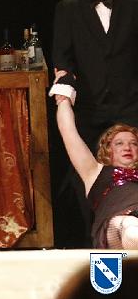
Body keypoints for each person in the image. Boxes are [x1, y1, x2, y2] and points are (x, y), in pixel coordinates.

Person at [50, 0, 138, 247]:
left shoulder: (133, 7)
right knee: (86, 181)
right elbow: (62, 57)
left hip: (130, 108)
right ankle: (98, 244)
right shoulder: (68, 8)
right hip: (89, 110)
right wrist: (65, 91)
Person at [56, 95, 138, 249]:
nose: (127, 147)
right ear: (108, 149)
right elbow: (68, 131)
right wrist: (63, 98)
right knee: (131, 228)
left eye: (133, 143)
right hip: (119, 227)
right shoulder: (95, 171)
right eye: (119, 143)